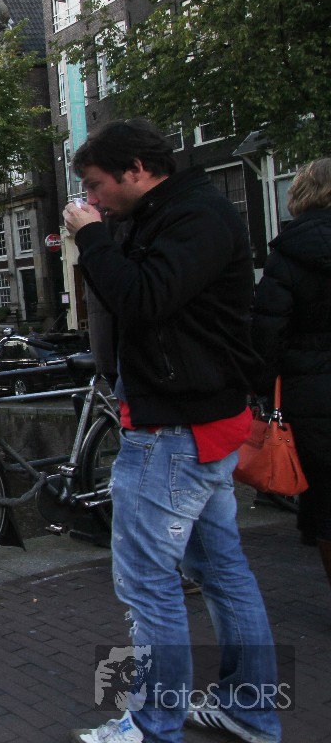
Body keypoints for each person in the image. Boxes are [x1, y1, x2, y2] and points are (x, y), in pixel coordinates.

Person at [62, 119, 280, 743]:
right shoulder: (169, 214)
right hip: (195, 419)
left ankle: (153, 725)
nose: (93, 198)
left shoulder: (194, 218)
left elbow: (142, 299)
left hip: (173, 429)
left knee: (147, 584)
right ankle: (247, 709)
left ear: (136, 169)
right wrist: (104, 237)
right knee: (222, 571)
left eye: (97, 184)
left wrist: (93, 238)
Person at [251, 158, 331, 578]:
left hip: (311, 393)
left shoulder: (287, 255)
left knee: (326, 499)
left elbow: (268, 332)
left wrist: (262, 389)